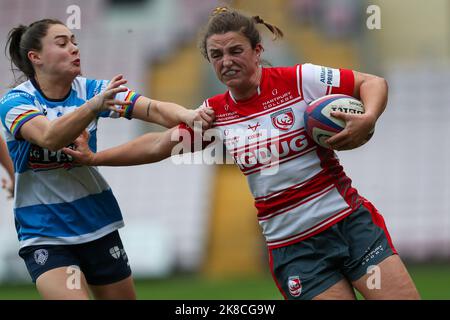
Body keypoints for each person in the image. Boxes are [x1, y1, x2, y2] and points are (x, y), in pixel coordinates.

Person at [64, 8, 420, 300]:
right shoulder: (213, 112)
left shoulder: (301, 79)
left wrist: (368, 118)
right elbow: (161, 143)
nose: (226, 61)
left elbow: (373, 83)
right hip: (294, 248)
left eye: (236, 51)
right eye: (216, 55)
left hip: (349, 225)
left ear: (257, 50)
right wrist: (97, 157)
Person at [0, 18, 214, 300]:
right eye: (62, 43)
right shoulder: (16, 102)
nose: (74, 49)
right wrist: (93, 107)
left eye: (74, 42)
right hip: (44, 232)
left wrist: (187, 115)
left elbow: (153, 109)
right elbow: (51, 137)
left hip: (97, 224)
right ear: (35, 57)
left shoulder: (92, 90)